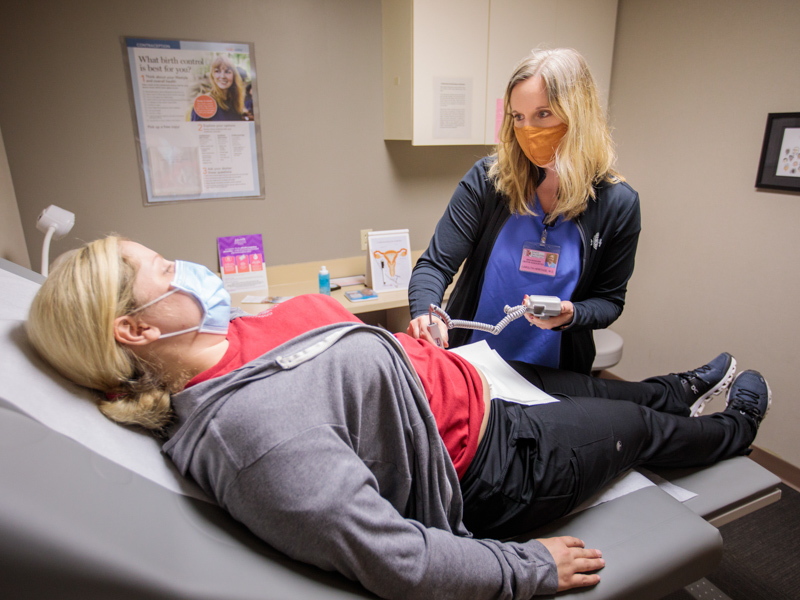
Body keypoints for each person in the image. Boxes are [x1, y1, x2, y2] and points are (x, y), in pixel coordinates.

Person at [26, 237, 772, 600]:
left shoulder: (223, 342)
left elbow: (328, 364)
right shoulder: (252, 438)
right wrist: (528, 570)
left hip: (468, 394)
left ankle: (678, 387)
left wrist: (397, 346)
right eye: (160, 270)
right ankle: (735, 431)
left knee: (606, 394)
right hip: (495, 465)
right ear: (136, 330)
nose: (178, 267)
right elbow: (397, 560)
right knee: (633, 433)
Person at [408, 48, 641, 375]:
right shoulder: (489, 182)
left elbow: (609, 301)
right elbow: (435, 264)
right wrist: (425, 313)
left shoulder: (617, 203)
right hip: (472, 364)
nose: (528, 129)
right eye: (518, 116)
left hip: (555, 376)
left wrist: (571, 314)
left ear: (578, 114)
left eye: (543, 114)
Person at [189, 55, 247, 122]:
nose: (222, 76)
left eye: (227, 72)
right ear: (212, 75)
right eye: (217, 71)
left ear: (234, 76)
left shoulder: (236, 101)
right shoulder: (204, 103)